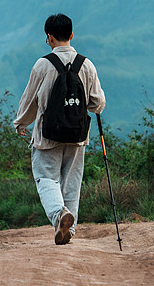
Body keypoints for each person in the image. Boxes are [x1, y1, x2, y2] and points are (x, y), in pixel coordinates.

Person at [13, 13, 106, 245]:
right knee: (71, 183)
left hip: (48, 134)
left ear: (49, 37)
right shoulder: (86, 65)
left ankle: (59, 215)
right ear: (72, 35)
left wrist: (21, 123)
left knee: (46, 178)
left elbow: (30, 100)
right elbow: (98, 103)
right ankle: (69, 229)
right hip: (77, 135)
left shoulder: (43, 65)